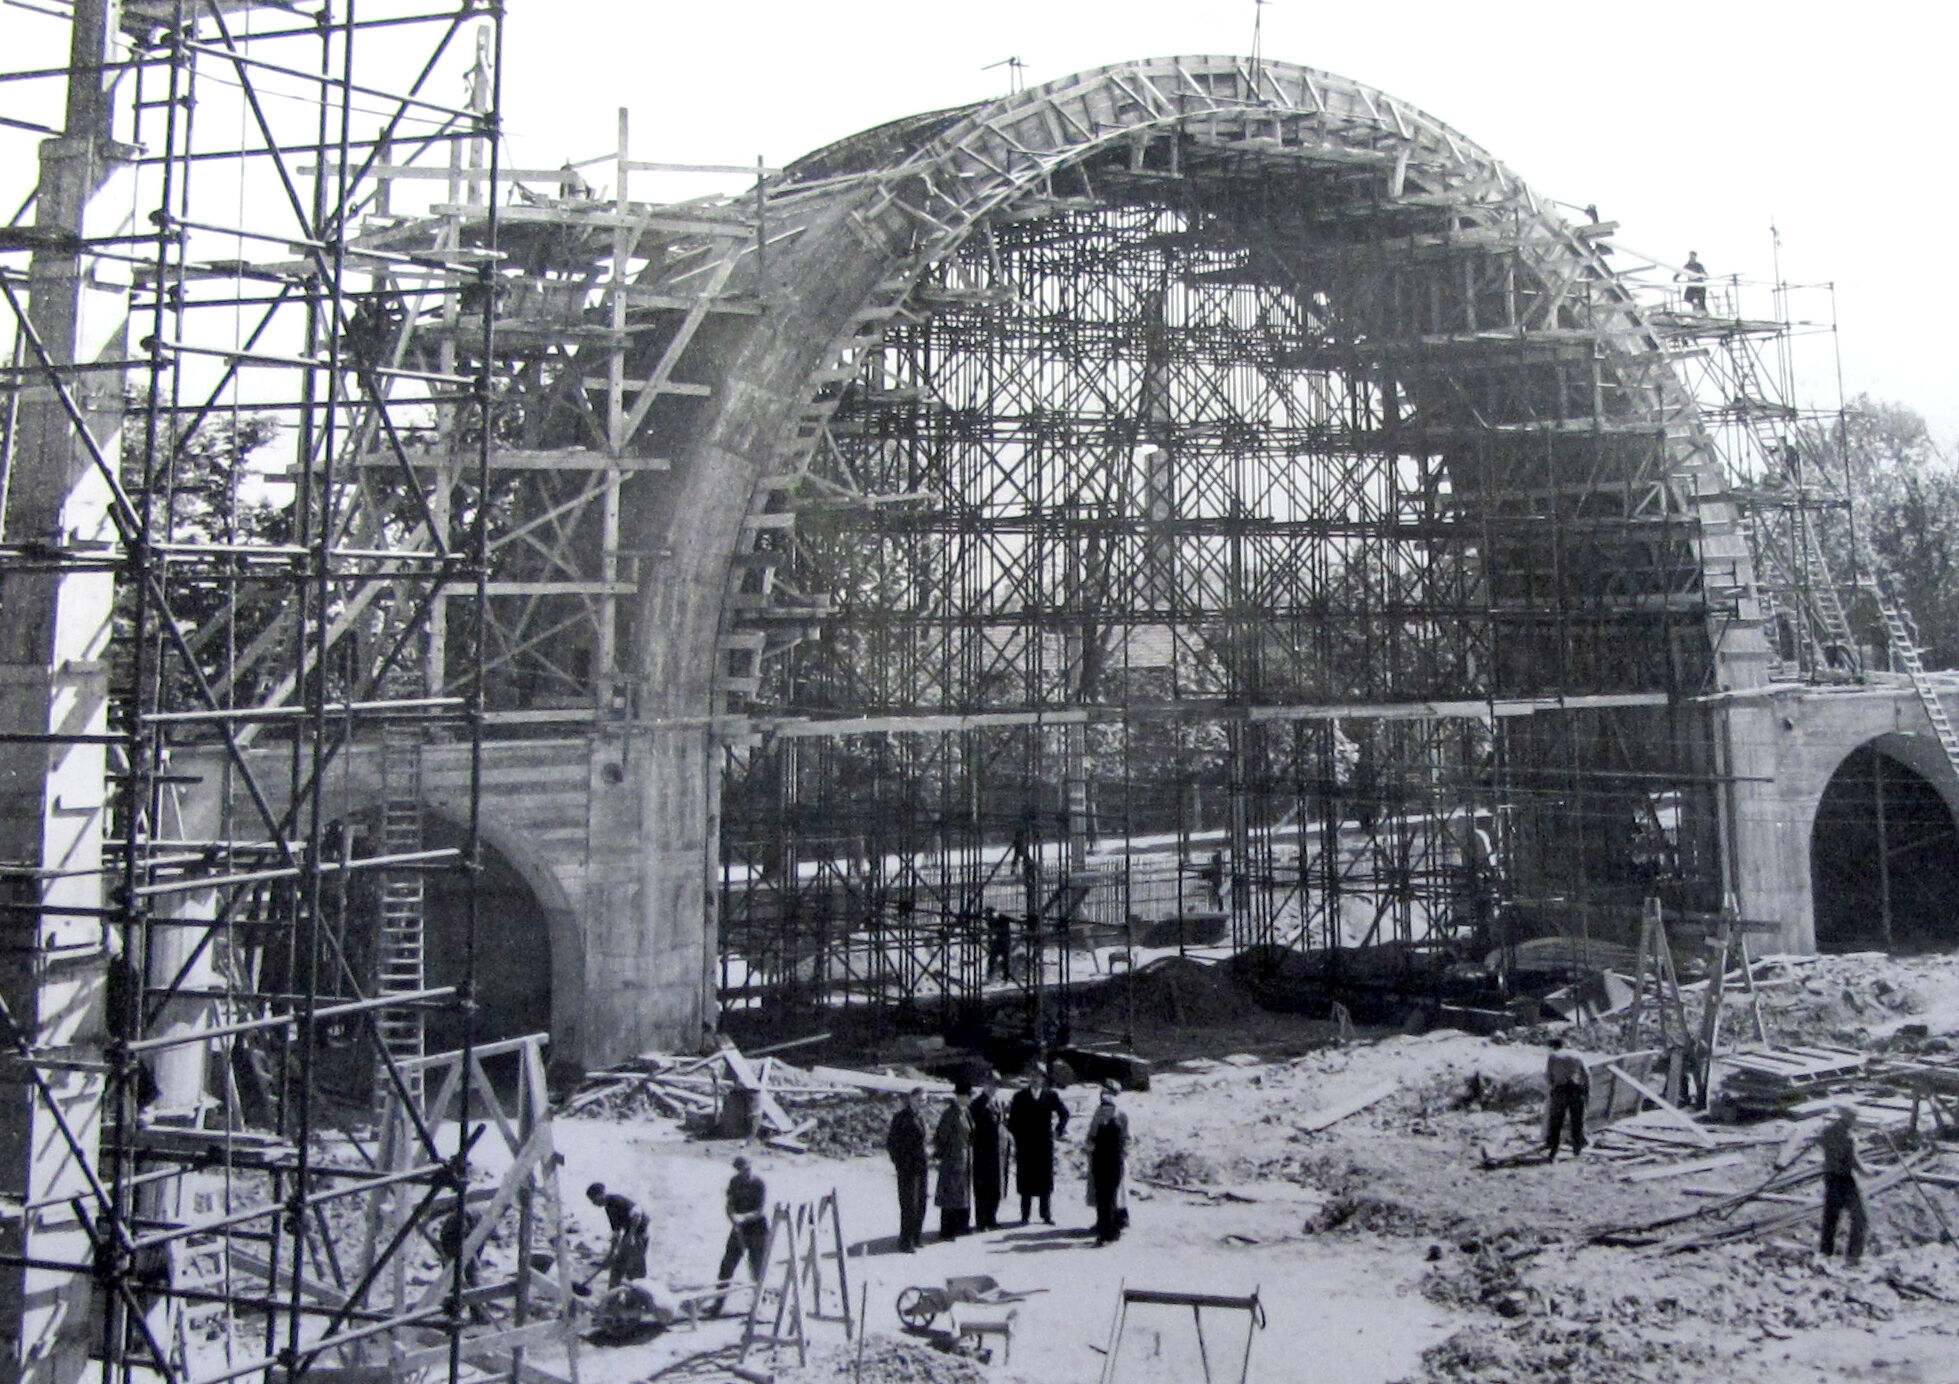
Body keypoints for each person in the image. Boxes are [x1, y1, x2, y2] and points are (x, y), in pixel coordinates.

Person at [708, 1156, 770, 1316]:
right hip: (739, 1229)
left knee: (757, 1268)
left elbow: (760, 1210)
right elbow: (729, 1204)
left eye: (748, 1169)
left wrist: (743, 1218)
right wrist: (733, 1218)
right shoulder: (734, 1182)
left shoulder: (759, 1184)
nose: (745, 1173)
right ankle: (718, 1303)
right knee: (727, 1265)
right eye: (742, 1170)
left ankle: (758, 1305)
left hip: (758, 1230)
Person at [1007, 1068, 1069, 1225]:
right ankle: (1025, 1215)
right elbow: (1012, 1121)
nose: (1035, 1079)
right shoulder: (1020, 1096)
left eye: (1038, 1077)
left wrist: (1058, 1130)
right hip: (1026, 1144)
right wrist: (1018, 1137)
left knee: (1045, 1179)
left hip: (1044, 1143)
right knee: (1025, 1178)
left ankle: (1045, 1214)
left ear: (1043, 1079)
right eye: (1032, 1076)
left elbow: (1064, 1113)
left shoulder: (1051, 1095)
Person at [1816, 1103, 1870, 1263]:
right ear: (1850, 1119)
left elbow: (1821, 1142)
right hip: (1845, 1180)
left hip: (1829, 1177)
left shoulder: (1827, 1131)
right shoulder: (1848, 1138)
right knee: (1860, 1218)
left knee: (1831, 1217)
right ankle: (1853, 1256)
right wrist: (1867, 1172)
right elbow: (1854, 1162)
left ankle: (1825, 1253)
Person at [885, 1087, 930, 1253]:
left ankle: (916, 1237)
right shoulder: (901, 1118)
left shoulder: (921, 1117)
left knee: (921, 1203)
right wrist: (900, 1164)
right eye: (919, 1099)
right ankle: (906, 1241)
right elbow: (891, 1144)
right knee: (909, 1205)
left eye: (924, 1100)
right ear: (911, 1099)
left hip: (921, 1166)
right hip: (907, 1168)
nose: (921, 1103)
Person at [1085, 1083, 1130, 1246]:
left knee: (1115, 1195)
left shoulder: (1121, 1115)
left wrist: (1125, 1151)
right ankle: (1103, 1224)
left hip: (1115, 1160)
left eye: (1108, 1094)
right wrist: (1089, 1145)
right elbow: (1091, 1133)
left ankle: (1116, 1224)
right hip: (1099, 1159)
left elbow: (1127, 1137)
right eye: (1102, 1095)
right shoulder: (1098, 1113)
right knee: (1101, 1194)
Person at [585, 1182, 648, 1286]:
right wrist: (611, 1253)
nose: (594, 1203)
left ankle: (636, 1289)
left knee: (633, 1263)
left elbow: (637, 1215)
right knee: (619, 1263)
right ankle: (615, 1290)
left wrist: (630, 1235)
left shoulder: (616, 1200)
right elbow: (616, 1233)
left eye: (594, 1199)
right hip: (630, 1234)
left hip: (639, 1232)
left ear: (601, 1194)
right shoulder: (609, 1209)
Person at [933, 1081, 974, 1241]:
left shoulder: (965, 1112)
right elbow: (941, 1136)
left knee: (961, 1194)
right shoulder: (950, 1114)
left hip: (964, 1157)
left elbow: (971, 1133)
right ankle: (946, 1230)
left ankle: (960, 1226)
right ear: (960, 1096)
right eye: (968, 1096)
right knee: (950, 1194)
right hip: (952, 1159)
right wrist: (945, 1154)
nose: (970, 1099)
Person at [969, 1077, 1010, 1231]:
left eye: (996, 1085)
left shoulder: (997, 1102)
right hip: (983, 1152)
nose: (993, 1088)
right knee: (982, 1187)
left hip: (997, 1151)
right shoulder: (977, 1103)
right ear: (984, 1085)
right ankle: (981, 1221)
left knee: (995, 1186)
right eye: (991, 1084)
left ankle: (991, 1218)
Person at [1543, 1038, 1590, 1161]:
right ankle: (1577, 1150)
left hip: (1560, 1090)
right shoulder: (1577, 1055)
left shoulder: (1553, 1056)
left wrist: (1553, 1089)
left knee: (1556, 1121)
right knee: (1577, 1121)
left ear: (1554, 1047)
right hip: (1576, 1090)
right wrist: (1586, 1092)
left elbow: (1548, 1076)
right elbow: (1586, 1075)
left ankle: (1553, 1150)